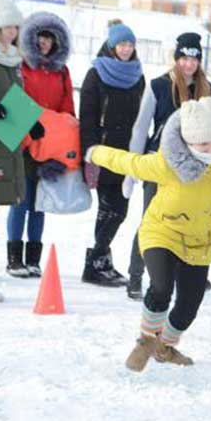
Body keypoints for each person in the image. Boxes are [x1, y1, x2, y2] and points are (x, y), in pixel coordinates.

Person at [87, 97, 211, 371]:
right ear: (188, 141)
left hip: (199, 241)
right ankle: (145, 341)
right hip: (162, 232)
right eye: (204, 144)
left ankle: (164, 348)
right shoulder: (167, 163)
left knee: (188, 307)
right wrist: (95, 152)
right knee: (161, 287)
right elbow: (128, 162)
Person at [126, 32, 211, 300]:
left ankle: (187, 273)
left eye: (194, 58)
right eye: (184, 58)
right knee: (151, 221)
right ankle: (135, 275)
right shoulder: (158, 86)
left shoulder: (207, 89)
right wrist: (132, 169)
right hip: (160, 163)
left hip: (192, 166)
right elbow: (141, 128)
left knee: (190, 220)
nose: (189, 64)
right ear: (176, 59)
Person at [5, 11, 73, 278]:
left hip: (50, 147)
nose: (45, 42)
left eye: (50, 37)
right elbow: (12, 99)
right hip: (22, 142)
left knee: (39, 203)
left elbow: (67, 110)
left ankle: (33, 259)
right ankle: (14, 259)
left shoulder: (62, 72)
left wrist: (63, 145)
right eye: (40, 37)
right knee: (20, 201)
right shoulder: (20, 65)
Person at [80, 21, 145, 287]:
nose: (126, 49)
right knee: (110, 208)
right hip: (103, 150)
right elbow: (87, 115)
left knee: (119, 209)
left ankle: (98, 261)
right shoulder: (96, 74)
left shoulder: (138, 76)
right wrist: (91, 149)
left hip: (128, 152)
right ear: (111, 46)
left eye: (130, 44)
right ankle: (96, 262)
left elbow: (142, 116)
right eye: (121, 44)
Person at [0, 0, 29, 300]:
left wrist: (33, 123)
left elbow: (16, 100)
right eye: (7, 26)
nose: (12, 32)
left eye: (15, 27)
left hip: (7, 142)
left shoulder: (14, 59)